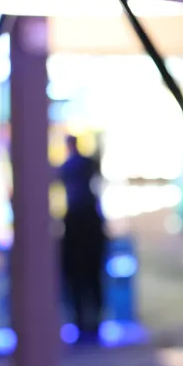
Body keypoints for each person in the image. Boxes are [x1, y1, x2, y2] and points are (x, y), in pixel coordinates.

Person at [59, 135, 106, 341]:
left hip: (80, 228)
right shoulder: (83, 165)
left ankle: (84, 321)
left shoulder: (71, 167)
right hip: (86, 228)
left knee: (81, 280)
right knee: (90, 280)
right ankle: (90, 321)